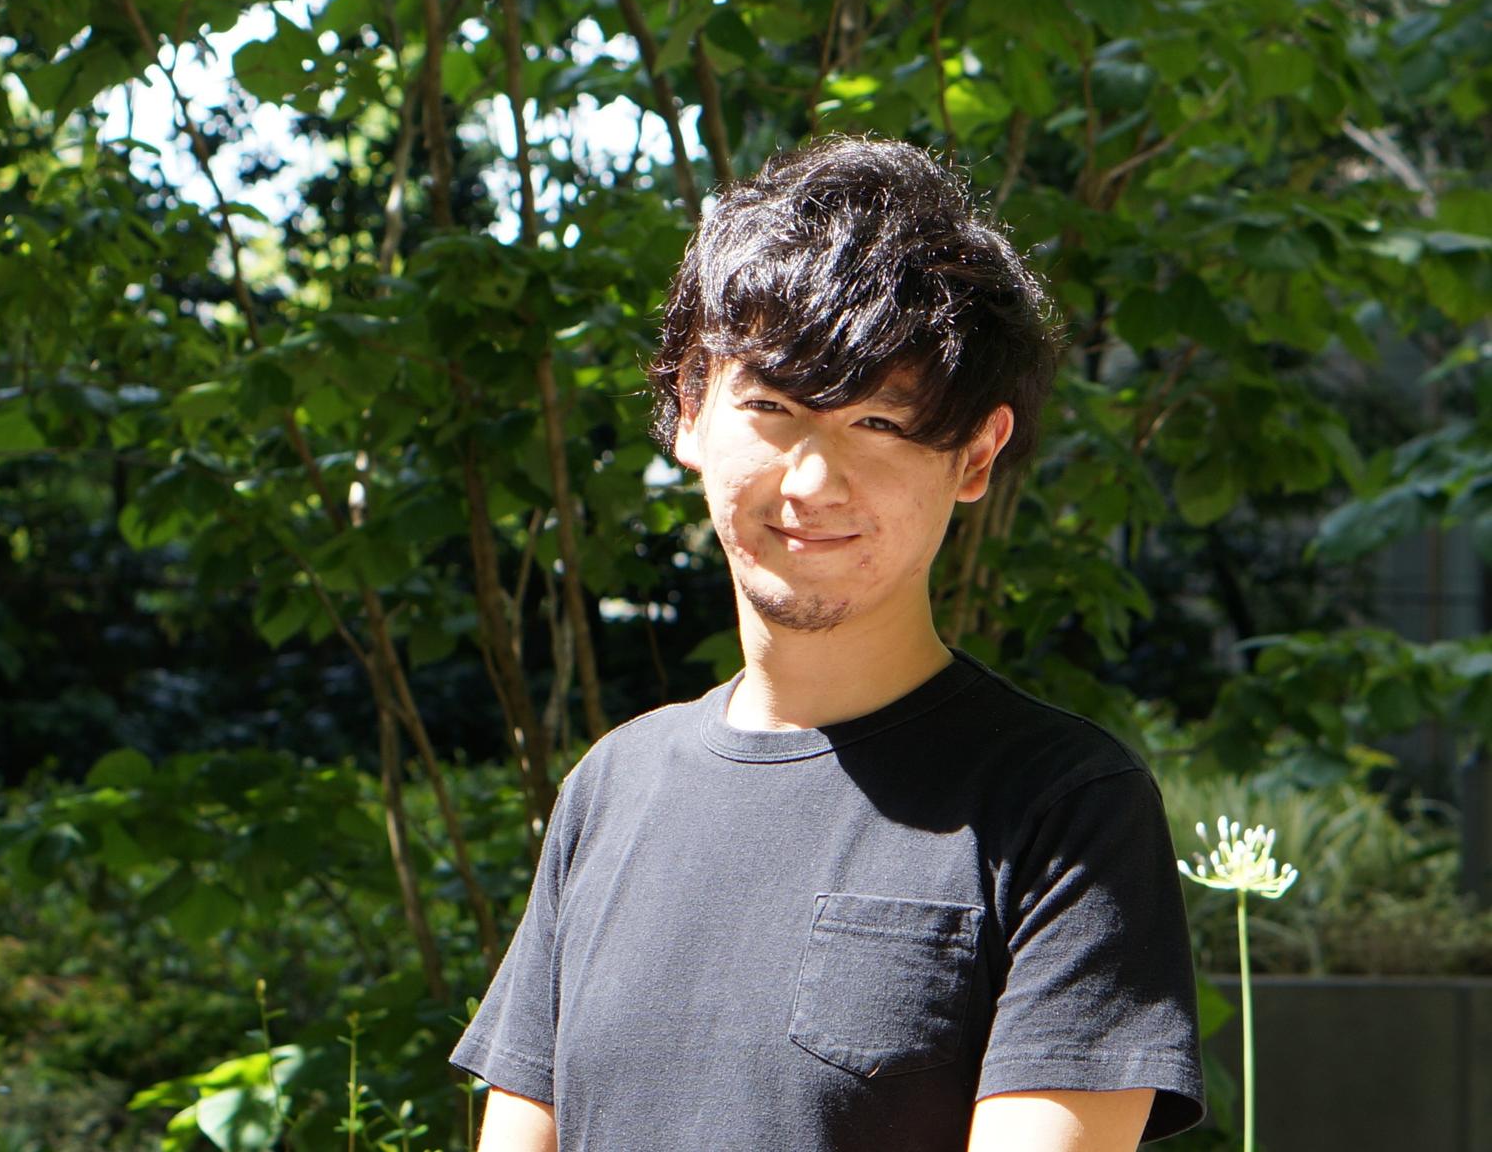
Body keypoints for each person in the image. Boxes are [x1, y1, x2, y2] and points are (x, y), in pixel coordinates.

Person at [449, 136, 1205, 1151]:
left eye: (881, 423)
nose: (813, 481)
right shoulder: (609, 789)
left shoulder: (1064, 808)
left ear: (976, 455)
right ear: (689, 409)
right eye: (771, 407)